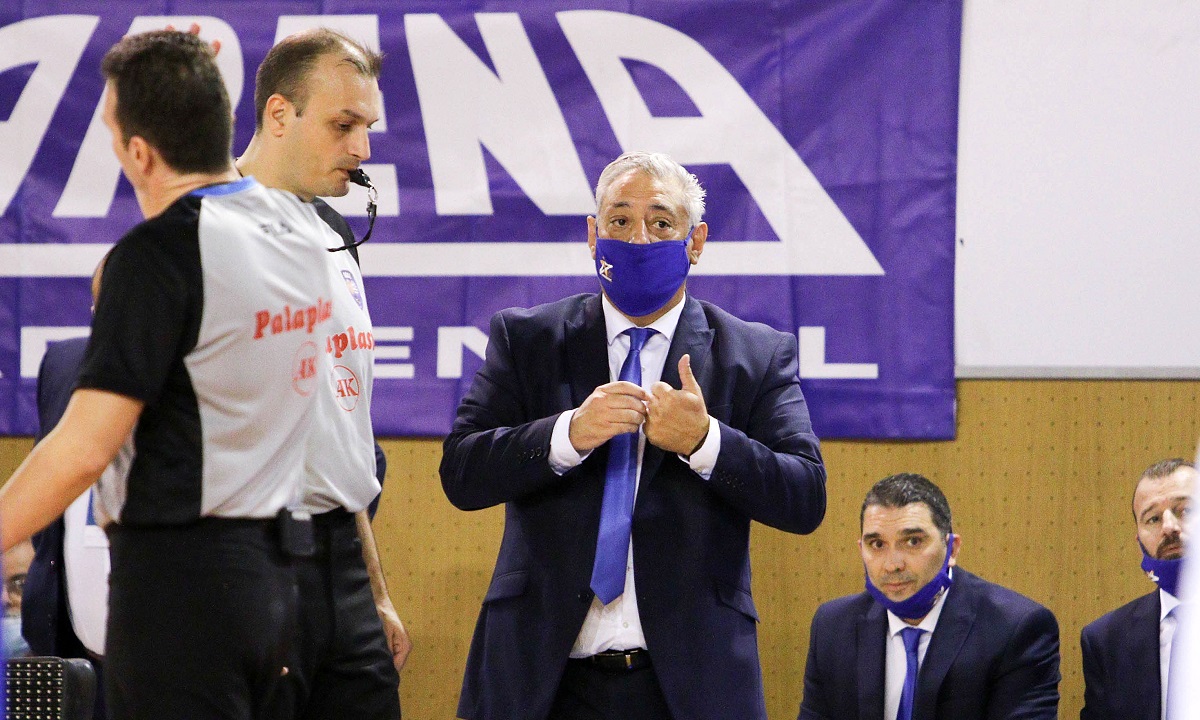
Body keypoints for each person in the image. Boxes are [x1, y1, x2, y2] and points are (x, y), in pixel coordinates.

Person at [0, 29, 339, 718]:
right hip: (282, 583)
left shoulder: (158, 255)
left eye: (110, 131)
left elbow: (84, 448)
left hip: (183, 589)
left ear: (139, 152)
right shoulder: (304, 231)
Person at [440, 151, 827, 720]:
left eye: (661, 222)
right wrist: (568, 434)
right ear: (592, 236)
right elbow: (462, 473)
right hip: (541, 680)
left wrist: (705, 441)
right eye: (619, 221)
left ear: (695, 242)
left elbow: (804, 497)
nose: (639, 239)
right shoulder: (527, 339)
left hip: (689, 687)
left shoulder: (754, 355)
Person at [236, 28, 407, 719]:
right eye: (344, 125)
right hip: (248, 561)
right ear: (280, 114)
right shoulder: (203, 226)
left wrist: (375, 591)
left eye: (368, 128)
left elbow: (342, 431)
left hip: (342, 565)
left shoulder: (337, 234)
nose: (363, 148)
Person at [798, 473, 1060, 720]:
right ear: (861, 550)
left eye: (913, 541)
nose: (892, 564)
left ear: (952, 548)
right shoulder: (833, 626)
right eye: (877, 545)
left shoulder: (1016, 629)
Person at [22, 257, 117, 720]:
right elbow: (49, 482)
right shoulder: (64, 363)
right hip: (70, 647)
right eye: (104, 309)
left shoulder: (218, 376)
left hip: (182, 645)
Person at [1080, 458, 1195, 720]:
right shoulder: (1107, 640)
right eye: (1153, 518)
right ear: (1138, 541)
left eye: (1186, 510)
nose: (1169, 526)